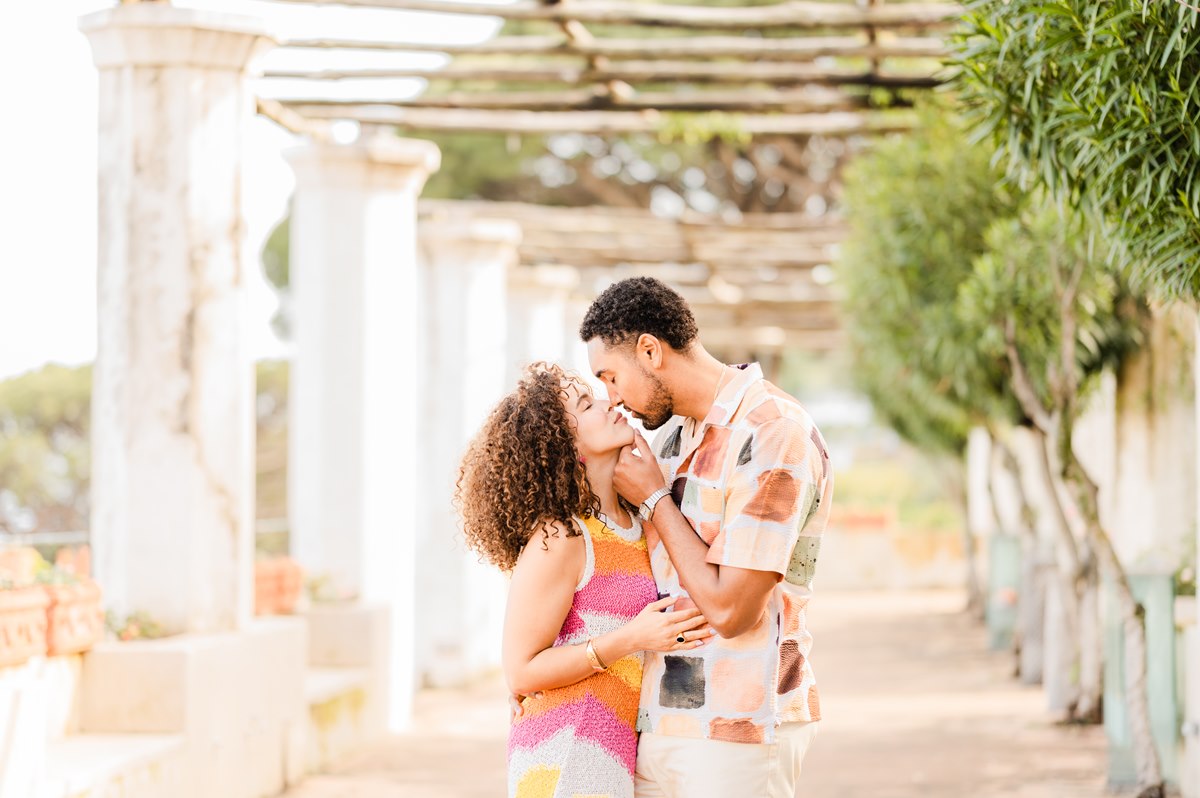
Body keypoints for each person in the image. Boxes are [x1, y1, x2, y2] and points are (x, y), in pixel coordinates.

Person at [579, 277, 834, 798]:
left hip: (740, 726)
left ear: (650, 350)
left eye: (610, 376)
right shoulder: (668, 437)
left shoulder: (772, 432)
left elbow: (731, 612)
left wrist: (655, 500)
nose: (612, 399)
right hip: (656, 719)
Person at [456, 361, 715, 798]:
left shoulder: (635, 520)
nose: (607, 402)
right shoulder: (562, 536)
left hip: (614, 750)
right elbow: (521, 671)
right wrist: (632, 638)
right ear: (567, 446)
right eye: (587, 405)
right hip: (566, 753)